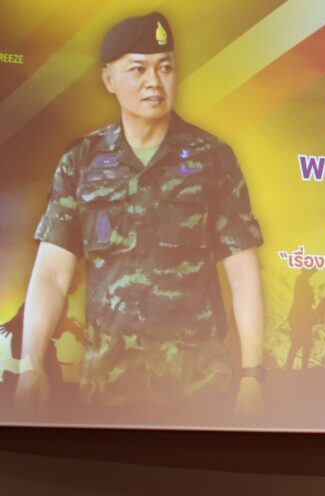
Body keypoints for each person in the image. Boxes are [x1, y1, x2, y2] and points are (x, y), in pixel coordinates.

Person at [15, 11, 265, 419]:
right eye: (138, 69)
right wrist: (30, 366)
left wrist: (253, 374)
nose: (154, 81)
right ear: (109, 78)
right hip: (107, 391)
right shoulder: (81, 162)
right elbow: (51, 274)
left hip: (200, 391)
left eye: (165, 67)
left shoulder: (213, 159)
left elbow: (243, 273)